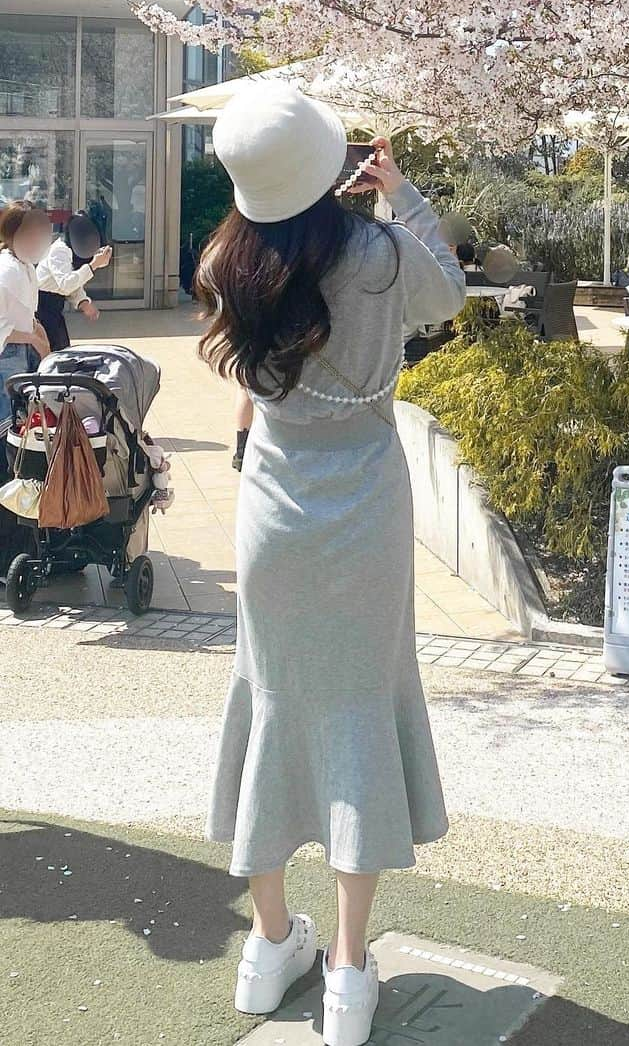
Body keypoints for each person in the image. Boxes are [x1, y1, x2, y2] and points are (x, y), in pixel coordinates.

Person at [198, 85, 465, 1045]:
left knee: (269, 702)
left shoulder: (225, 259)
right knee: (359, 705)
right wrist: (403, 196)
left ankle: (270, 945)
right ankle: (349, 969)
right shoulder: (380, 253)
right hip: (365, 506)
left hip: (271, 509)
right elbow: (450, 293)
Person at [0, 203, 53, 422]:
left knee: (22, 419)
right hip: (8, 354)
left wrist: (40, 336)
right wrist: (33, 339)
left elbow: (26, 313)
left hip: (25, 350)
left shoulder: (26, 266)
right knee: (8, 419)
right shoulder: (6, 271)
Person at [35, 212, 113, 351]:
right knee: (51, 352)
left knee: (61, 350)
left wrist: (82, 302)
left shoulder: (69, 249)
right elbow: (65, 284)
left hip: (54, 305)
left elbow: (72, 281)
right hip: (42, 306)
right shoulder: (60, 250)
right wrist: (93, 265)